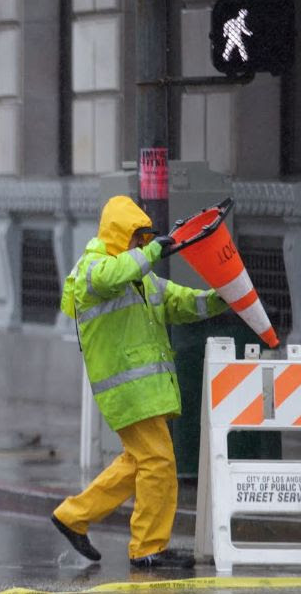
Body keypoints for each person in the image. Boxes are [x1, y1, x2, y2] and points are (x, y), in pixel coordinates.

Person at [51, 195, 229, 568]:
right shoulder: (92, 269)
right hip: (128, 391)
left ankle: (74, 516)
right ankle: (148, 547)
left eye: (146, 240)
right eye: (138, 238)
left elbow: (180, 301)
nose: (143, 245)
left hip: (141, 391)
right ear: (119, 236)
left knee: (139, 461)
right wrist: (150, 255)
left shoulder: (141, 279)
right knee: (159, 462)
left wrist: (222, 299)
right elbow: (113, 275)